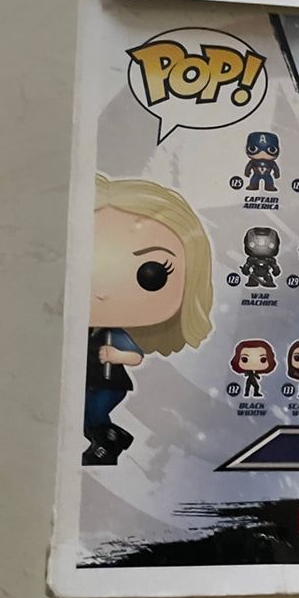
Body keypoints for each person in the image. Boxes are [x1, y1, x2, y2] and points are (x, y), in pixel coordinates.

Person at [84, 173, 213, 465]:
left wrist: (116, 355)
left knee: (93, 413)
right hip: (92, 381)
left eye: (151, 275)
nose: (105, 292)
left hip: (109, 384)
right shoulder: (88, 329)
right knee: (86, 415)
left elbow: (135, 357)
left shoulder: (114, 333)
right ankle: (115, 438)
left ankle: (105, 444)